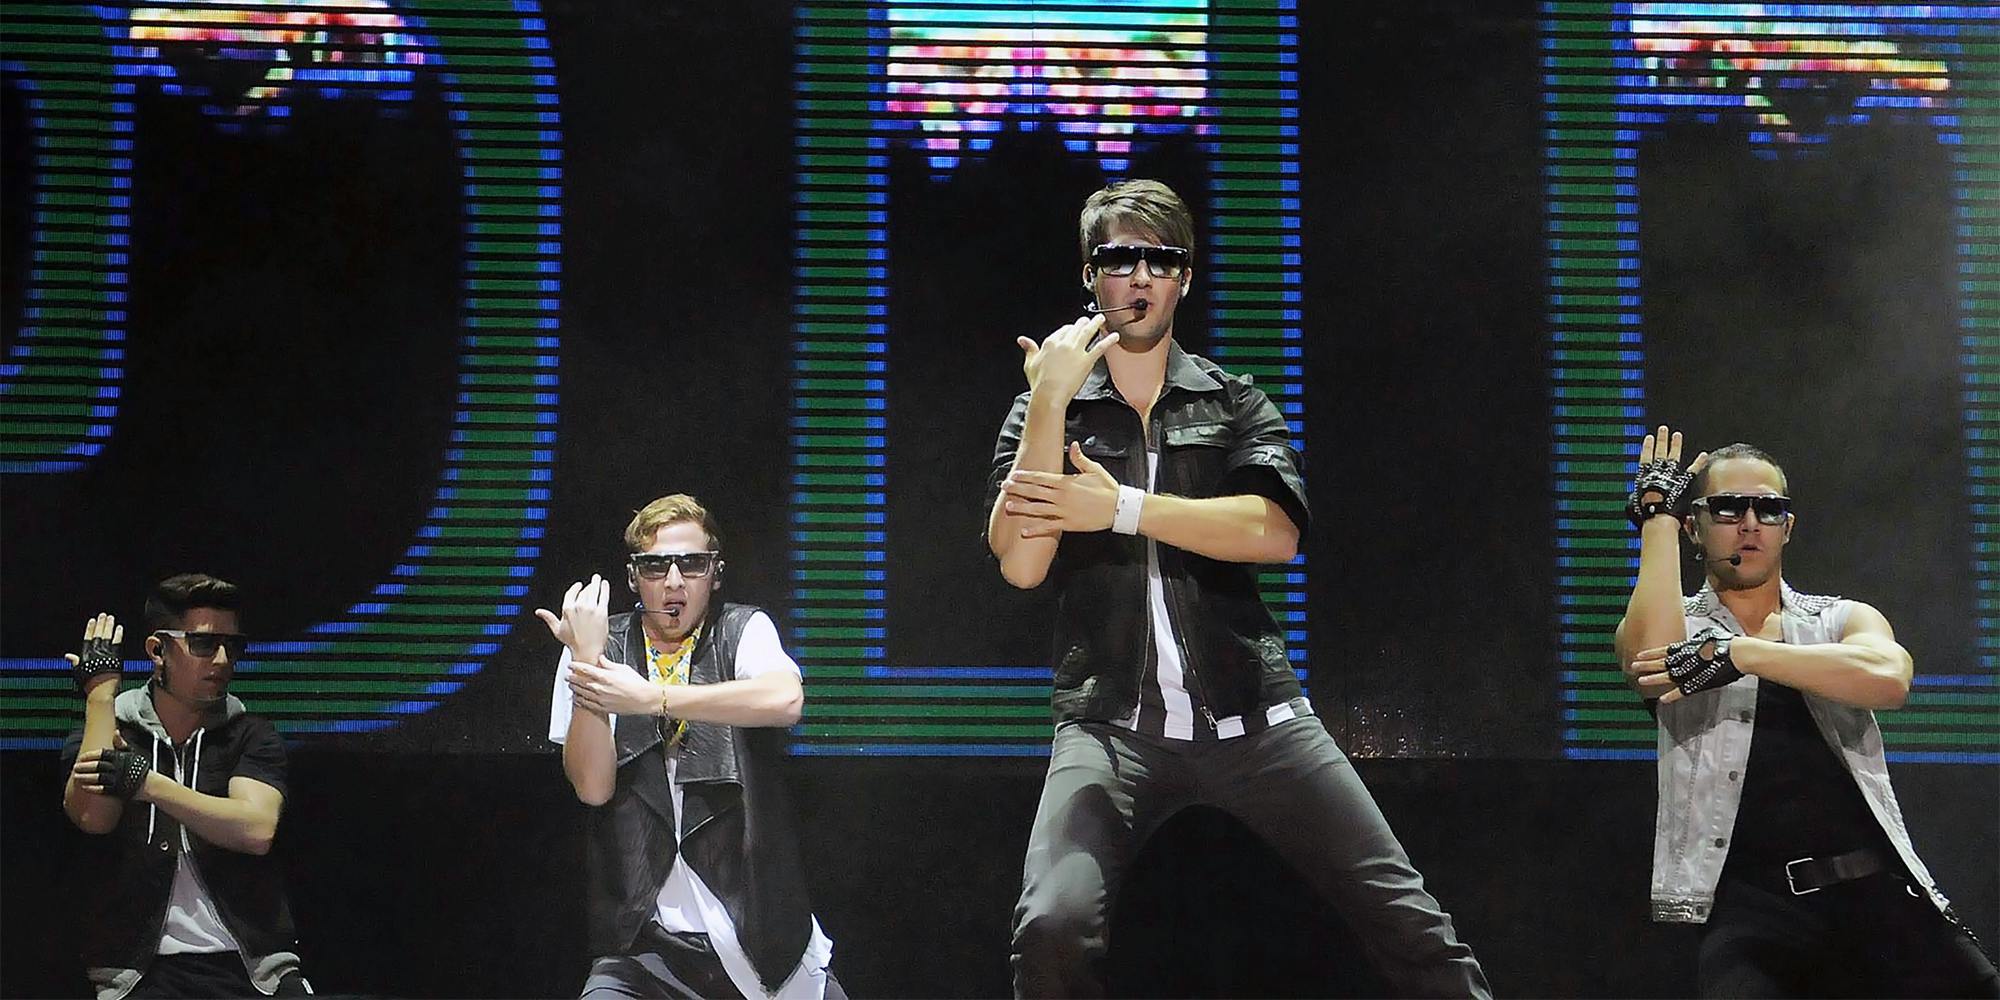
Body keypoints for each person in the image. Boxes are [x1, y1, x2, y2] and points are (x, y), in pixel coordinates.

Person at [986, 179, 1489, 997]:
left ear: (1185, 278)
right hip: (1112, 727)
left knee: (1408, 919)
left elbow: (1274, 532)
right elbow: (1021, 562)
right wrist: (1049, 399)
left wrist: (1118, 506)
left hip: (1258, 717)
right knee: (1052, 925)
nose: (1140, 275)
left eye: (1162, 258)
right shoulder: (1048, 408)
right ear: (1091, 276)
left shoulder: (1232, 399)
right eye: (1120, 258)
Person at [1616, 426, 2000, 997]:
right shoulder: (1685, 629)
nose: (1749, 523)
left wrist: (1743, 653)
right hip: (1752, 909)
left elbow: (1889, 679)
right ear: (1694, 526)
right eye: (1727, 508)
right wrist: (1657, 523)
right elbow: (1649, 661)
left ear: (1787, 528)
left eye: (1768, 510)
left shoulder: (1838, 619)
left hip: (1875, 891)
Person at [539, 493, 840, 999]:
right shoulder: (598, 650)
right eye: (656, 566)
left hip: (757, 940)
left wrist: (653, 698)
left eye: (692, 565)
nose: (674, 582)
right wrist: (587, 663)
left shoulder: (743, 630)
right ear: (634, 577)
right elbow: (592, 788)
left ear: (715, 574)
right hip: (644, 948)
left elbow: (785, 698)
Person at [60, 573, 312, 998]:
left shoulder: (249, 734)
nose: (220, 660)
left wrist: (149, 783)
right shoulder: (111, 728)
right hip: (136, 972)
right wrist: (100, 698)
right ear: (157, 650)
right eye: (203, 644)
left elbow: (255, 829)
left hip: (253, 969)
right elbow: (92, 817)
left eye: (232, 647)